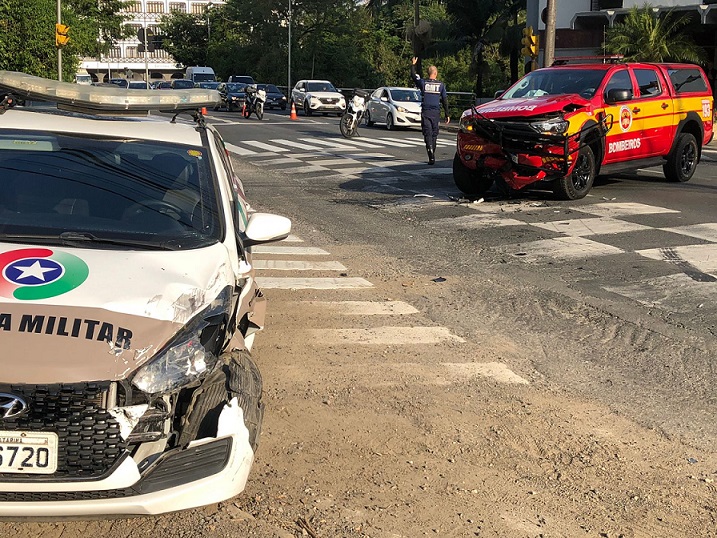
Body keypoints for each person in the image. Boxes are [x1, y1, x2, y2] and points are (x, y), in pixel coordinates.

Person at [411, 57, 450, 165]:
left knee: (427, 133)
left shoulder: (423, 83)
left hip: (426, 112)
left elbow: (414, 77)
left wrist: (413, 65)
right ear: (436, 73)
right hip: (436, 112)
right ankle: (432, 153)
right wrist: (447, 114)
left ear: (428, 73)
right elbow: (445, 100)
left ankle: (430, 154)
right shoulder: (441, 85)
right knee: (434, 133)